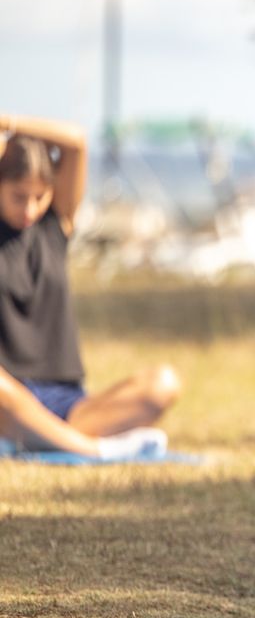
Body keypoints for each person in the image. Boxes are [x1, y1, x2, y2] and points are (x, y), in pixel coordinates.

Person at [0, 114, 179, 459]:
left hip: (68, 403)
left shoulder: (56, 224)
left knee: (164, 383)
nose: (30, 208)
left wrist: (7, 122)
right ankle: (95, 449)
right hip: (8, 396)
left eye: (40, 196)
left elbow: (76, 141)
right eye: (18, 196)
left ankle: (39, 438)